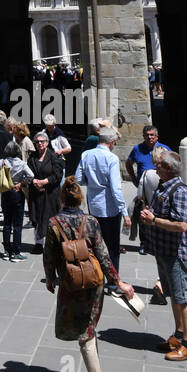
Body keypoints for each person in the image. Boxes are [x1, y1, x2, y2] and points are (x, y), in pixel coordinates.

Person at [44, 176, 135, 372]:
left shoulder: (54, 223)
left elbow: (49, 256)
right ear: (80, 199)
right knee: (90, 326)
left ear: (62, 198)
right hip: (94, 281)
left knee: (85, 334)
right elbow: (103, 254)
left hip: (70, 282)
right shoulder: (91, 222)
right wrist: (118, 281)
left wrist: (50, 278)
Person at [141, 150, 187, 361]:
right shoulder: (165, 186)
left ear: (170, 170)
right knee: (173, 295)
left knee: (183, 297)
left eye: (161, 165)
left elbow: (182, 225)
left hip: (175, 253)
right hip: (163, 252)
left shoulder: (180, 191)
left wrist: (154, 220)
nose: (157, 166)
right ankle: (178, 335)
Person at [75, 123, 131, 289]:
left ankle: (96, 276)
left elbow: (78, 178)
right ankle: (113, 282)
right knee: (112, 246)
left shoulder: (86, 154)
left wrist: (92, 183)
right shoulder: (112, 158)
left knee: (95, 244)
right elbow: (116, 188)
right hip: (110, 208)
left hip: (93, 206)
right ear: (112, 142)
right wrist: (125, 212)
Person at [0, 139, 34, 261]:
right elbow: (31, 175)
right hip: (17, 192)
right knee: (17, 224)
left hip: (6, 192)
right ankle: (16, 252)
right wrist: (22, 183)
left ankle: (6, 251)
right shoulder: (22, 163)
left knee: (7, 223)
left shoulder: (2, 162)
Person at [27, 130, 64, 251]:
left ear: (47, 143)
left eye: (42, 142)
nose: (39, 144)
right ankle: (38, 243)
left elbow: (57, 175)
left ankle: (52, 243)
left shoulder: (53, 156)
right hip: (36, 192)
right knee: (37, 217)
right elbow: (27, 172)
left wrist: (45, 181)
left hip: (50, 193)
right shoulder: (32, 157)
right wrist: (34, 181)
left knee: (50, 218)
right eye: (37, 142)